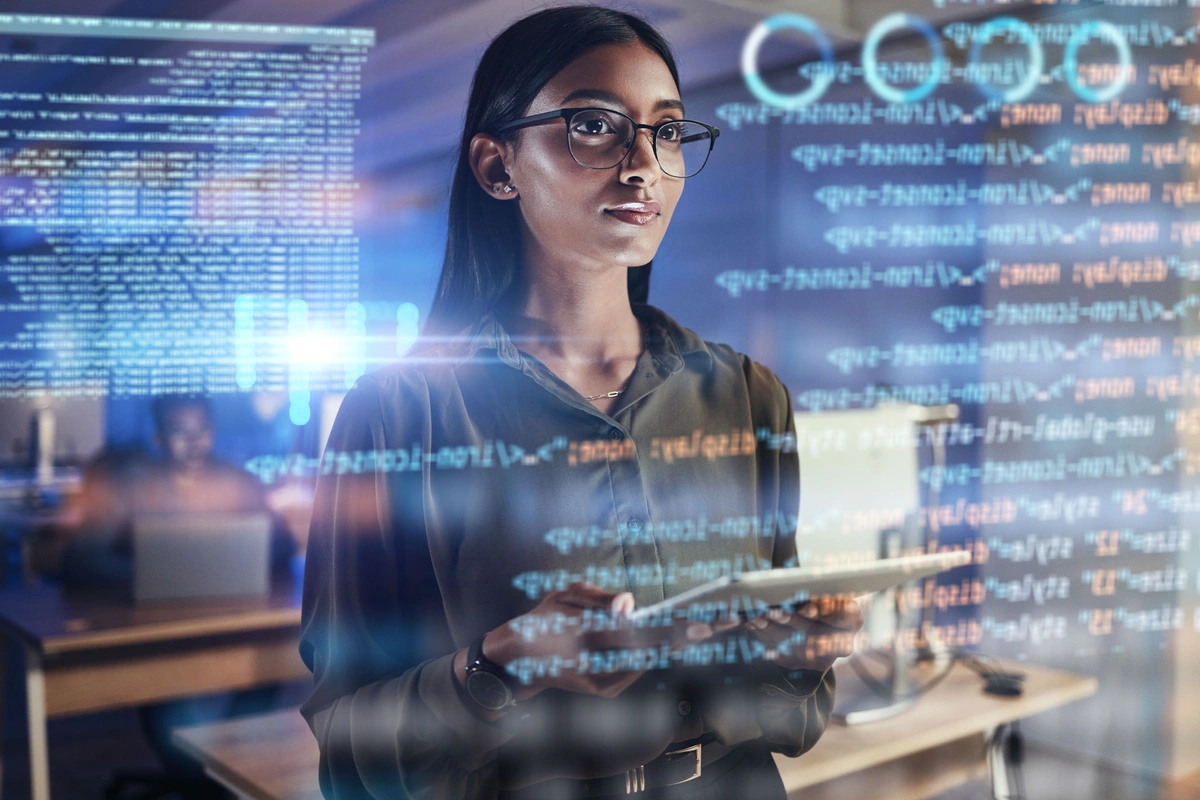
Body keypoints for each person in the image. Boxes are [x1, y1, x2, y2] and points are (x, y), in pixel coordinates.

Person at [298, 7, 863, 799]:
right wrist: (505, 664)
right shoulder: (398, 416)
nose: (644, 166)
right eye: (595, 126)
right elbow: (351, 749)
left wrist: (798, 657)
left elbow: (794, 715)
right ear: (499, 168)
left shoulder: (745, 395)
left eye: (667, 133)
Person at [56, 394, 297, 795]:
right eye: (180, 432)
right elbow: (79, 559)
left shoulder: (235, 480)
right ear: (157, 437)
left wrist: (238, 561)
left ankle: (225, 774)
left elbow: (283, 546)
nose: (195, 442)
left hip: (229, 618)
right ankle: (204, 782)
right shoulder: (130, 482)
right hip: (156, 625)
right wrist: (151, 577)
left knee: (268, 666)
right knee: (176, 716)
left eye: (203, 430)